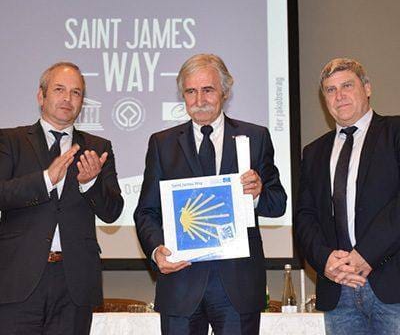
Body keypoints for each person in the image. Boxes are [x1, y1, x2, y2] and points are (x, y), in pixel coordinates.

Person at [134, 53, 286, 335]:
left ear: (225, 92)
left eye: (208, 90)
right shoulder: (162, 144)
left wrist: (257, 194)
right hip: (180, 282)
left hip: (237, 286)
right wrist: (156, 251)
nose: (199, 99)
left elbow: (278, 203)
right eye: (191, 91)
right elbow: (146, 212)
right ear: (183, 95)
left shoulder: (255, 137)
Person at [0, 62, 124, 334]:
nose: (67, 98)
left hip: (74, 284)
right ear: (41, 96)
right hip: (18, 279)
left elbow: (113, 211)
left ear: (82, 102)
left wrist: (90, 183)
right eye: (59, 89)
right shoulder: (10, 140)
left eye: (76, 92)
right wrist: (46, 179)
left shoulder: (98, 147)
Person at [295, 58, 400, 334]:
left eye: (347, 86)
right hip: (337, 291)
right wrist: (325, 260)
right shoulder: (313, 152)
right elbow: (305, 217)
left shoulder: (395, 133)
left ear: (367, 88)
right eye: (330, 90)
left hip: (393, 287)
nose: (339, 95)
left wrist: (366, 254)